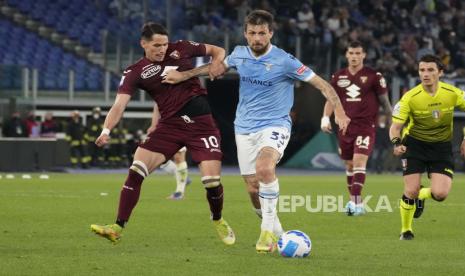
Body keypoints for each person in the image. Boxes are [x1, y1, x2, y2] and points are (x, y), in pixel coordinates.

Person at [163, 10, 350, 253]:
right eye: (252, 33)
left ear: (271, 33)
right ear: (245, 34)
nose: (257, 38)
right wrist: (183, 76)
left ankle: (265, 233)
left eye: (262, 33)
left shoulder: (285, 60)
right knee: (252, 188)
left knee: (264, 168)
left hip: (275, 124)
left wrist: (340, 111)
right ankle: (279, 234)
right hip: (244, 127)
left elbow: (322, 84)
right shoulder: (240, 54)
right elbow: (215, 66)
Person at [90, 22, 235, 245]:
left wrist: (214, 63)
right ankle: (117, 227)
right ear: (144, 44)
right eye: (157, 45)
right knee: (136, 170)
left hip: (201, 123)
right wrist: (106, 130)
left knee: (211, 181)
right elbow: (119, 105)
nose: (162, 49)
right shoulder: (134, 71)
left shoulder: (183, 48)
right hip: (169, 126)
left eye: (165, 44)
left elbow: (218, 51)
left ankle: (218, 219)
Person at [390, 54, 465, 240]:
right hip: (414, 145)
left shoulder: (452, 93)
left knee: (440, 194)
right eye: (422, 70)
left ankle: (422, 196)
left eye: (430, 70)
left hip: (441, 147)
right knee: (410, 190)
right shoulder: (410, 97)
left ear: (440, 72)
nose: (425, 74)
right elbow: (396, 127)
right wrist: (397, 143)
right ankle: (406, 230)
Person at [321, 41, 392, 216]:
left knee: (360, 161)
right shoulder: (338, 77)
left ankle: (354, 203)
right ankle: (356, 202)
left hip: (366, 126)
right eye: (351, 53)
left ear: (364, 55)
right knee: (350, 164)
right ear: (346, 55)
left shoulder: (374, 76)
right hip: (345, 127)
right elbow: (331, 99)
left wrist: (393, 119)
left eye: (357, 53)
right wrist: (325, 118)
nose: (354, 56)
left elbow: (384, 101)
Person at [147, 102, 191, 200]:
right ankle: (182, 177)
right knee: (158, 158)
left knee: (179, 157)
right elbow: (157, 104)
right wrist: (153, 125)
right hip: (164, 125)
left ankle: (180, 192)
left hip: (180, 124)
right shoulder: (161, 88)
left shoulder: (184, 88)